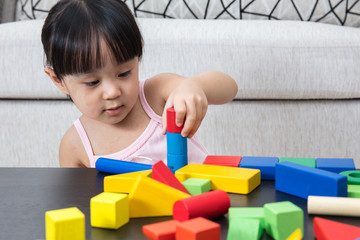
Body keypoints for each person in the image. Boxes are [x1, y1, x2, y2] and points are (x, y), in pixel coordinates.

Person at [41, 0, 238, 168]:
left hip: (201, 207)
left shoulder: (156, 94)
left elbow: (230, 88)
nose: (112, 92)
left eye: (124, 73)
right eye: (93, 82)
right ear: (58, 81)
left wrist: (195, 86)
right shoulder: (74, 145)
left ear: (138, 56)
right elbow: (77, 203)